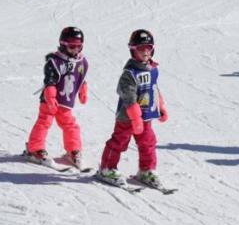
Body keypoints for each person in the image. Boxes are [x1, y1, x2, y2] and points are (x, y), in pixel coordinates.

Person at [97, 29, 169, 189]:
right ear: (133, 50)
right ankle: (107, 168)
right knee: (119, 141)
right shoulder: (130, 73)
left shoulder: (152, 69)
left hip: (146, 115)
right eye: (141, 48)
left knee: (148, 142)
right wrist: (135, 117)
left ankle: (146, 170)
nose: (145, 52)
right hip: (127, 117)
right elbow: (127, 95)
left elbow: (154, 89)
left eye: (148, 48)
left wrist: (160, 107)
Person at [24, 27, 89, 168]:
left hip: (65, 102)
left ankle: (73, 150)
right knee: (44, 122)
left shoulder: (81, 61)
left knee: (70, 124)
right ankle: (34, 148)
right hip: (49, 101)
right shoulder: (55, 61)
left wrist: (82, 90)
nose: (75, 50)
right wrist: (50, 96)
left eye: (78, 46)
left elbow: (80, 77)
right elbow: (50, 81)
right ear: (63, 44)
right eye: (72, 46)